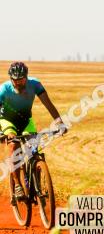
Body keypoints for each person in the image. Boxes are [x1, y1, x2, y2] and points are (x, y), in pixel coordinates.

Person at [1, 62, 67, 200]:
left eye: (22, 80)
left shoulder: (35, 84)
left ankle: (35, 176)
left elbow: (48, 104)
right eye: (16, 80)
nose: (19, 83)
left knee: (33, 149)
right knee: (13, 145)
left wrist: (59, 123)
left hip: (26, 121)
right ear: (11, 79)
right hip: (8, 121)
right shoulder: (3, 90)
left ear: (26, 77)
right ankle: (18, 186)